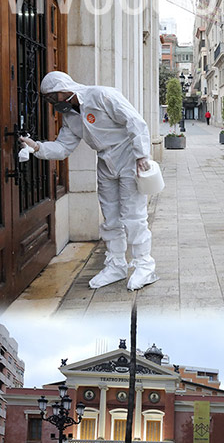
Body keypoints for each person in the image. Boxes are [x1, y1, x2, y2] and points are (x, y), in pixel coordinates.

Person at [19, 71, 157, 290]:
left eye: (54, 97)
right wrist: (37, 147)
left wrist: (142, 155)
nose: (54, 103)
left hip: (129, 158)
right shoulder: (70, 117)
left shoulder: (102, 95)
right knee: (110, 217)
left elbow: (135, 122)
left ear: (64, 89)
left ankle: (144, 266)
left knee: (133, 216)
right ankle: (116, 264)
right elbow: (64, 147)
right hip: (104, 161)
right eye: (49, 100)